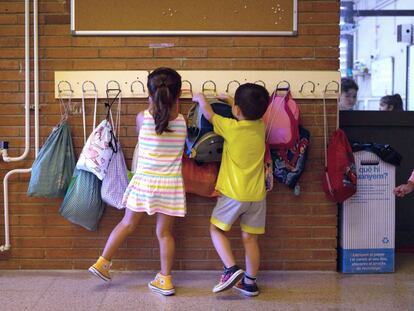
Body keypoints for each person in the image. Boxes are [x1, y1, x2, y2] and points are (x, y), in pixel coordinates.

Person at [88, 67, 186, 296]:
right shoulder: (181, 122)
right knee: (164, 234)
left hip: (144, 182)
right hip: (170, 186)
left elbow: (152, 119)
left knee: (127, 224)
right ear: (178, 96)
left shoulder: (142, 118)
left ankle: (103, 261)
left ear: (149, 95)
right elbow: (172, 113)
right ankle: (166, 280)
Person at [192, 83, 269, 297]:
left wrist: (201, 100)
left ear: (236, 111)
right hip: (257, 195)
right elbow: (245, 113)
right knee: (250, 239)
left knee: (216, 229)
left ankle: (230, 268)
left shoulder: (231, 128)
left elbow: (209, 116)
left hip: (234, 194)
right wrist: (230, 100)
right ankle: (250, 283)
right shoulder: (261, 126)